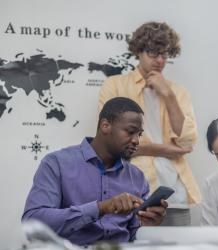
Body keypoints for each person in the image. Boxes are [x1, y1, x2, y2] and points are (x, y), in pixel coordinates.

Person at [22, 97, 167, 246]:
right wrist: (101, 208)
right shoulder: (56, 164)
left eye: (139, 134)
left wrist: (149, 226)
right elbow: (32, 223)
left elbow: (133, 237)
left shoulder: (137, 177)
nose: (136, 140)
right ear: (105, 126)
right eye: (130, 132)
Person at [98, 21, 200, 226]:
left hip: (176, 194)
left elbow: (187, 142)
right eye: (153, 53)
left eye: (164, 54)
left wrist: (168, 95)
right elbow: (112, 142)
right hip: (132, 193)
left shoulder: (177, 91)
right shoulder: (115, 85)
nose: (160, 60)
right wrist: (166, 150)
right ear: (139, 51)